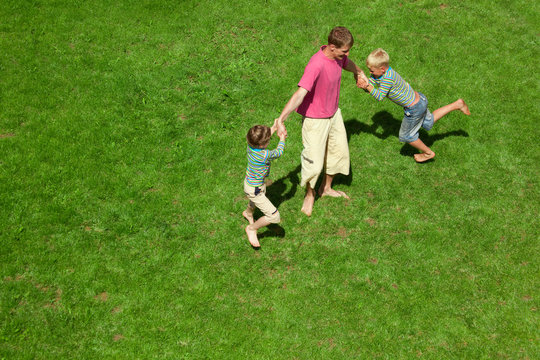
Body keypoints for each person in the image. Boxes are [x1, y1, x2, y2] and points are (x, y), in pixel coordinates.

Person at [275, 26, 368, 216]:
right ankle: (309, 195)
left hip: (333, 114)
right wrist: (281, 119)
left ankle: (325, 188)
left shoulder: (338, 58)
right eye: (344, 51)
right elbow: (300, 93)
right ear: (332, 47)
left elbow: (347, 63)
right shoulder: (316, 64)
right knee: (314, 162)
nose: (347, 54)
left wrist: (358, 72)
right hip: (315, 120)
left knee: (337, 152)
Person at [357, 48, 470, 162]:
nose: (370, 73)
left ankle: (428, 153)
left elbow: (380, 96)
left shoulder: (388, 78)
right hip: (420, 100)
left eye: (371, 71)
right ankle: (457, 104)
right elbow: (371, 85)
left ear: (382, 69)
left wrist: (367, 87)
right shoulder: (379, 74)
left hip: (414, 108)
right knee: (429, 122)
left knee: (406, 136)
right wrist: (364, 83)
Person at [243, 122, 286, 249]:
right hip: (255, 189)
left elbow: (262, 139)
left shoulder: (250, 146)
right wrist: (282, 138)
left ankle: (248, 213)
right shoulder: (265, 155)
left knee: (255, 201)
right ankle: (251, 228)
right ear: (262, 145)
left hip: (251, 184)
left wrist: (274, 127)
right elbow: (279, 152)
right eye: (269, 139)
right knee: (274, 216)